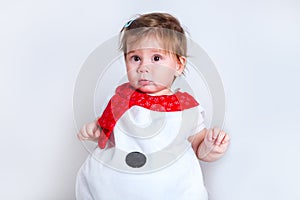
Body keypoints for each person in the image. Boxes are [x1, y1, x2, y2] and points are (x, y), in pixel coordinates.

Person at [76, 12, 230, 200]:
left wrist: (210, 145)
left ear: (179, 65)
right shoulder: (120, 96)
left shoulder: (186, 106)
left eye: (156, 58)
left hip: (170, 189)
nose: (143, 67)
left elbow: (198, 145)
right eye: (135, 58)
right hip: (115, 187)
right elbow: (109, 132)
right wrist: (95, 129)